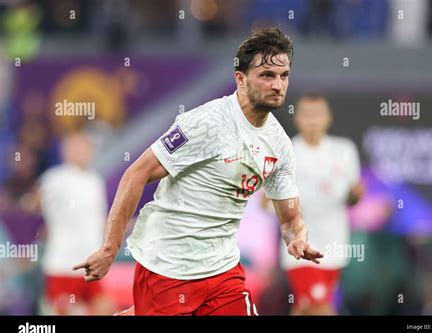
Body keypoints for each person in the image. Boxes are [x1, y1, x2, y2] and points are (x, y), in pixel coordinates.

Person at [74, 28, 323, 316]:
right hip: (167, 266)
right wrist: (109, 250)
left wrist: (297, 238)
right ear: (240, 79)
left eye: (284, 76)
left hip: (222, 271)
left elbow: (290, 219)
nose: (278, 84)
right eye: (267, 75)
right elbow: (135, 174)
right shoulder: (206, 123)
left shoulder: (279, 145)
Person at [280, 94, 363, 315]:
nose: (312, 120)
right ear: (297, 118)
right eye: (307, 115)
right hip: (300, 247)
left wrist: (355, 195)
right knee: (320, 306)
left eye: (317, 114)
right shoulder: (286, 152)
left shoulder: (344, 150)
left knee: (304, 307)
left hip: (334, 247)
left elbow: (352, 198)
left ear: (328, 118)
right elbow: (267, 202)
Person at [39, 132, 114, 315]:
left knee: (105, 308)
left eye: (86, 148)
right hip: (64, 264)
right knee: (68, 311)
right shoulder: (55, 178)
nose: (83, 152)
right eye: (77, 147)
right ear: (66, 150)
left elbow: (99, 219)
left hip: (90, 262)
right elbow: (37, 201)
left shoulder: (95, 180)